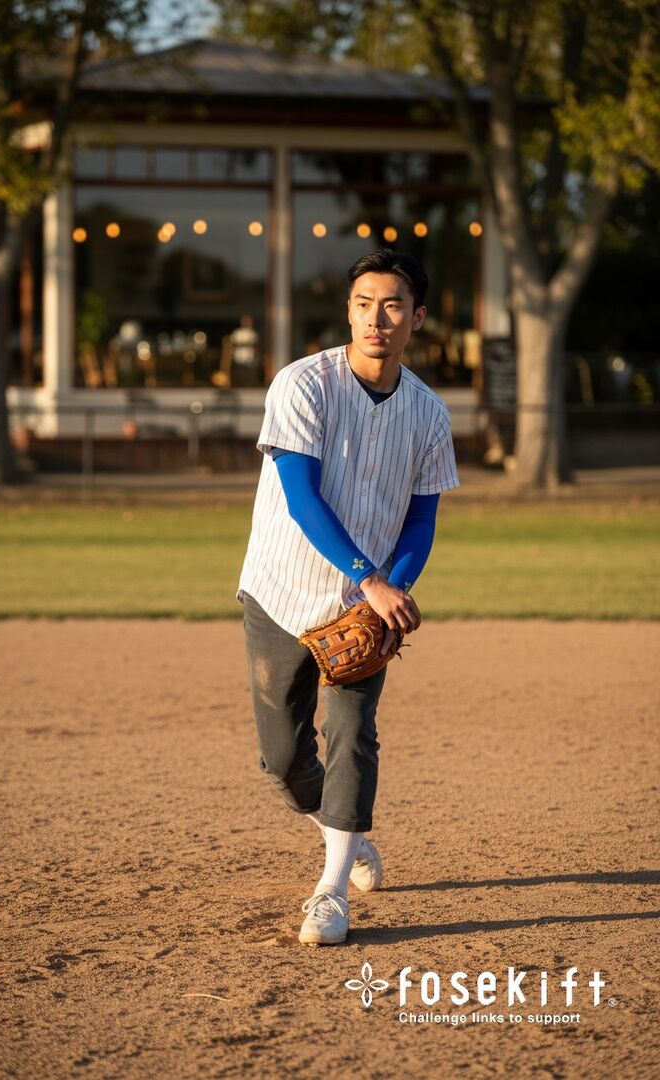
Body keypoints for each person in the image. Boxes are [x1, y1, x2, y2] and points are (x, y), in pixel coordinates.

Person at [237, 248, 460, 946]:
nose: (376, 318)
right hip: (281, 588)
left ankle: (331, 890)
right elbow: (301, 497)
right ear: (349, 312)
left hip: (364, 606)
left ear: (416, 318)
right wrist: (371, 577)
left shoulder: (429, 414)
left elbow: (421, 520)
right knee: (282, 759)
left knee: (353, 733)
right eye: (364, 304)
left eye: (393, 305)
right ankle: (347, 832)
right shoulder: (302, 384)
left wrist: (391, 592)